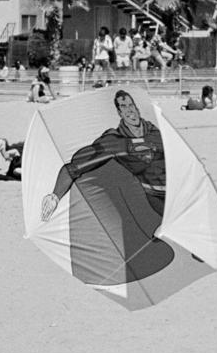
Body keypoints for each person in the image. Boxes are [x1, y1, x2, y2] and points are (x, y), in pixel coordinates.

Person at [39, 89, 174, 284]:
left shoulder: (157, 133)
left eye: (131, 105)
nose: (130, 111)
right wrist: (54, 196)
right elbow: (73, 168)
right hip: (152, 199)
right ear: (119, 113)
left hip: (176, 193)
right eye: (124, 107)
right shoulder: (114, 141)